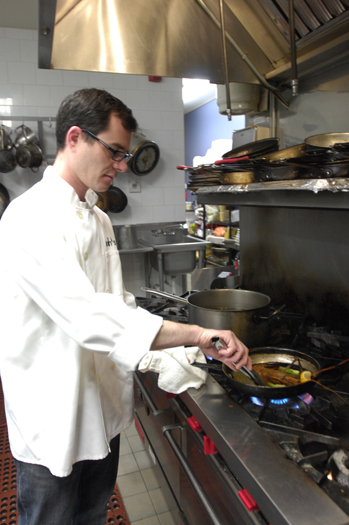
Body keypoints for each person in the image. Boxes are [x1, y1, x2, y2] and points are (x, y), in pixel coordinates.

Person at [0, 88, 251, 525]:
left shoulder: (98, 217)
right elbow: (88, 316)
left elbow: (118, 305)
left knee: (93, 516)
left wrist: (177, 352)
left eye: (124, 155)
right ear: (75, 138)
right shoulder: (28, 218)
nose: (121, 166)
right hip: (54, 418)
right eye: (115, 152)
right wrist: (196, 333)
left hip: (106, 409)